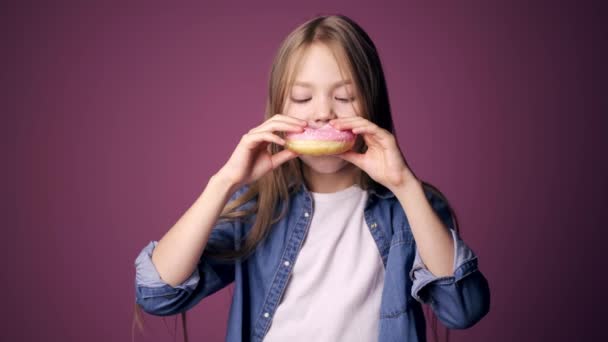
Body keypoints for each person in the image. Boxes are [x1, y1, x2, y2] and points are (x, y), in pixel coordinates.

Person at [133, 14, 490, 342]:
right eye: (303, 98)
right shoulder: (259, 211)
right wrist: (224, 181)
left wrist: (405, 185)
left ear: (372, 106)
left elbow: (462, 309)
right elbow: (158, 293)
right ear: (278, 110)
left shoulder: (409, 210)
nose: (322, 113)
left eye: (344, 97)